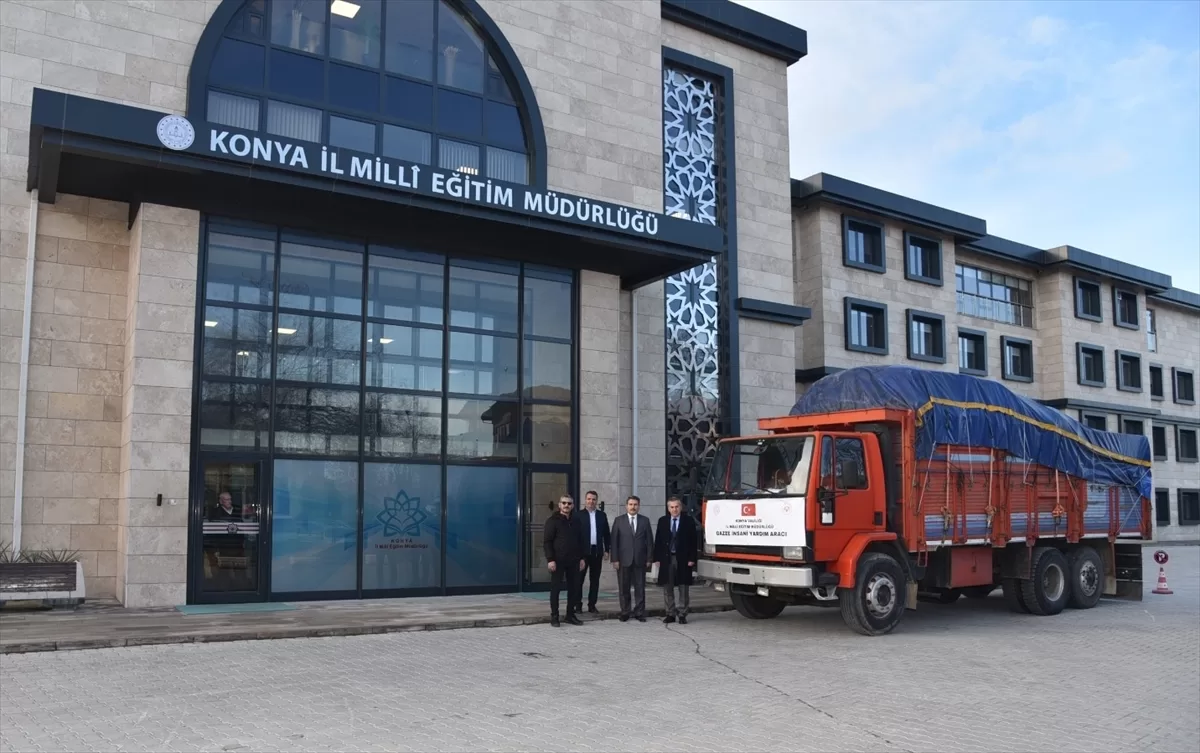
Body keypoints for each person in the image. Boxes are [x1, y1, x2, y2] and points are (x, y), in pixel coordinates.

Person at [654, 496, 698, 624]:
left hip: (683, 559)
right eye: (672, 507)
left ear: (681, 507)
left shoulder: (688, 521)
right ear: (668, 508)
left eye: (676, 507)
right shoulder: (662, 521)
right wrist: (657, 558)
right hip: (666, 558)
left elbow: (694, 541)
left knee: (683, 587)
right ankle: (670, 613)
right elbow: (658, 540)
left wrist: (692, 558)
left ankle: (682, 614)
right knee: (668, 587)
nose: (674, 509)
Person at [543, 495, 585, 627]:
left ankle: (570, 615)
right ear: (559, 505)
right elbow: (547, 542)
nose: (566, 505)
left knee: (574, 588)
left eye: (569, 503)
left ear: (573, 506)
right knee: (556, 588)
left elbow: (581, 541)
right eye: (564, 503)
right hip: (558, 560)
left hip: (574, 560)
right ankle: (554, 616)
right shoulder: (552, 521)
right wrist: (550, 559)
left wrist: (582, 558)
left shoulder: (576, 521)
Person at [609, 495, 653, 622]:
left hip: (640, 559)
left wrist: (649, 558)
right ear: (626, 506)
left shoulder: (645, 521)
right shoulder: (619, 521)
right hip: (623, 560)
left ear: (639, 506)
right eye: (631, 504)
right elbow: (614, 541)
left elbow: (650, 541)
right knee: (624, 588)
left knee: (640, 587)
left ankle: (639, 612)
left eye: (635, 505)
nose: (633, 507)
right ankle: (625, 612)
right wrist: (615, 559)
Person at [578, 490, 610, 614]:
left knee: (595, 580)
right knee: (579, 580)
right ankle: (577, 605)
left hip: (597, 551)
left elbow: (607, 534)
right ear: (585, 500)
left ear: (596, 501)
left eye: (593, 499)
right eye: (589, 499)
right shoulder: (578, 515)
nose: (591, 501)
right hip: (582, 553)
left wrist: (607, 550)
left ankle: (592, 605)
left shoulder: (602, 515)